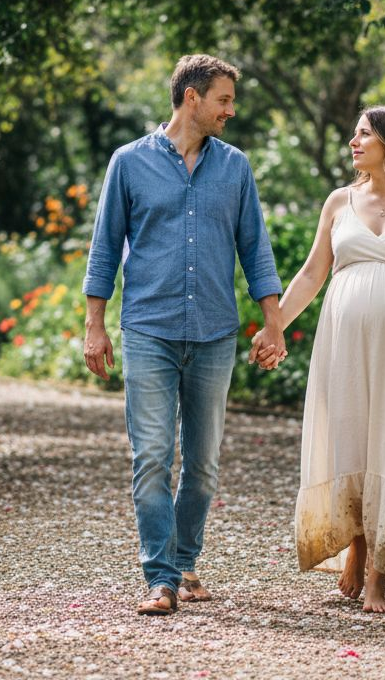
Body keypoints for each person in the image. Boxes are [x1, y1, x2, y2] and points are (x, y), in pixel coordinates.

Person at [81, 54, 287, 616]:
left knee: (202, 464)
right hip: (148, 327)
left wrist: (273, 319)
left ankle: (186, 558)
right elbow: (104, 250)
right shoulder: (128, 163)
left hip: (214, 332)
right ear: (191, 98)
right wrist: (94, 326)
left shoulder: (235, 167)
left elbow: (255, 248)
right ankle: (161, 578)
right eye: (223, 99)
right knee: (151, 455)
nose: (231, 110)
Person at [253, 105, 385, 612]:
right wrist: (274, 325)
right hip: (342, 341)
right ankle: (355, 545)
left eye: (364, 133)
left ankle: (377, 574)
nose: (353, 141)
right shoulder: (338, 201)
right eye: (354, 133)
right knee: (349, 438)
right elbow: (310, 274)